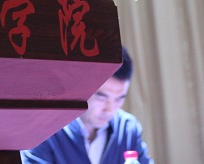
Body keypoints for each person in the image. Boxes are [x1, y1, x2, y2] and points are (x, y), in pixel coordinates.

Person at [21, 47, 154, 164]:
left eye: (119, 99)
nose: (110, 109)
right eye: (102, 97)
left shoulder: (127, 129)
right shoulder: (46, 130)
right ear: (82, 87)